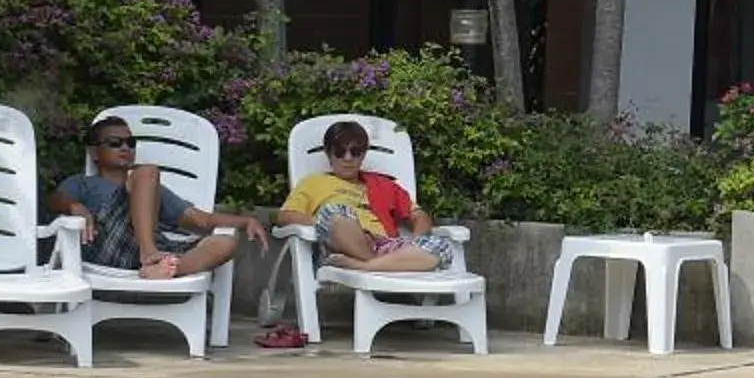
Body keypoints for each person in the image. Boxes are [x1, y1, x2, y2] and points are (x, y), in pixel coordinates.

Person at [51, 117, 269, 283]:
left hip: (153, 250)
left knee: (226, 242)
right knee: (147, 171)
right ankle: (150, 255)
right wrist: (76, 207)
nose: (125, 148)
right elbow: (55, 200)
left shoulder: (151, 190)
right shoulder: (84, 183)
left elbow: (201, 221)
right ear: (94, 152)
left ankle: (168, 268)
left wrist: (245, 222)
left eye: (130, 142)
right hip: (106, 245)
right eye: (115, 143)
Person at [276, 119, 462, 283]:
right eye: (340, 151)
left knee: (442, 248)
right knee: (334, 211)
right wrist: (335, 226)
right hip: (339, 249)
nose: (348, 158)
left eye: (355, 152)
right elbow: (284, 216)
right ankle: (371, 260)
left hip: (383, 248)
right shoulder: (313, 183)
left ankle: (366, 266)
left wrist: (415, 240)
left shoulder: (384, 185)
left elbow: (420, 216)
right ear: (329, 153)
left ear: (363, 155)